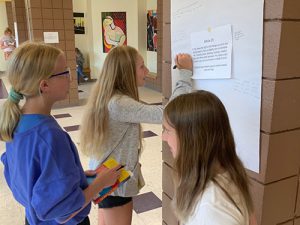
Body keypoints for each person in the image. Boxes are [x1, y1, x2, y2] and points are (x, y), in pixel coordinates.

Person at [0, 42, 121, 225]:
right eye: (65, 72)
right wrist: (100, 183)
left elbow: (31, 180)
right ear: (44, 85)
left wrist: (78, 175)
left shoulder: (16, 122)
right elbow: (64, 212)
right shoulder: (49, 137)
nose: (71, 79)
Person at [80, 45, 193, 225]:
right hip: (115, 184)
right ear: (125, 72)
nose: (147, 71)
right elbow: (170, 114)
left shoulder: (110, 98)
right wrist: (185, 75)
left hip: (107, 181)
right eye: (141, 67)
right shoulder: (119, 103)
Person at [162, 90, 257, 225]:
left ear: (191, 139)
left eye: (167, 130)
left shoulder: (210, 209)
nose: (163, 137)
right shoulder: (228, 171)